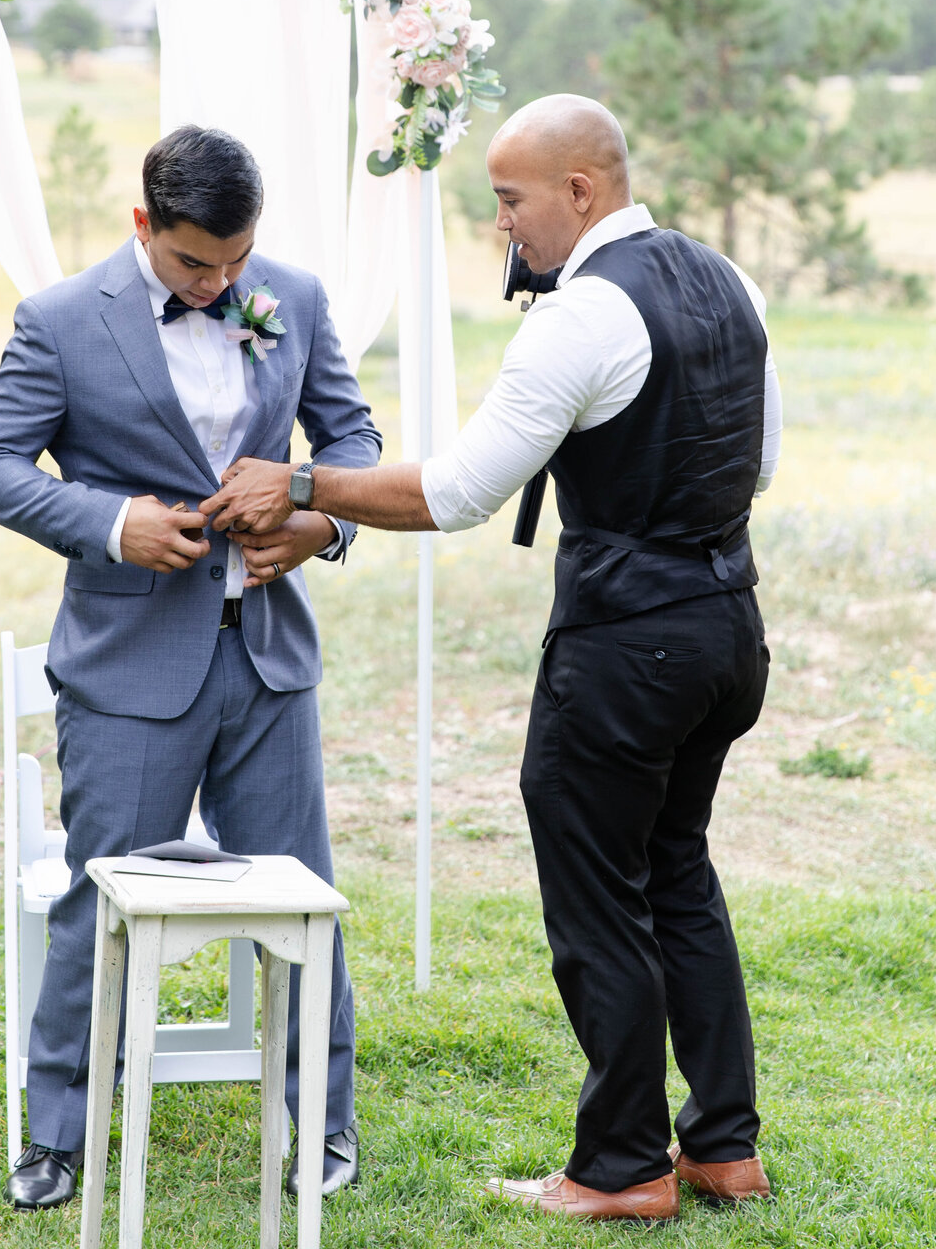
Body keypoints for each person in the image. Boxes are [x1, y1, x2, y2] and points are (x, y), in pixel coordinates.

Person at [201, 94, 782, 1226]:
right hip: (728, 628)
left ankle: (621, 1167)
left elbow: (459, 493)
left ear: (581, 190)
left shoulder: (580, 317)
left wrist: (303, 481)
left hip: (627, 648)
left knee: (600, 899)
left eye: (510, 201)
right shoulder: (732, 282)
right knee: (678, 872)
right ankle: (724, 1147)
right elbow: (755, 466)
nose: (503, 228)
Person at [0, 124, 381, 1211]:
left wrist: (317, 521)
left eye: (237, 261)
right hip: (129, 669)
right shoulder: (59, 322)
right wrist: (111, 523)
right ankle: (59, 1133)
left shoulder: (297, 297)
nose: (223, 281)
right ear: (144, 225)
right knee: (98, 904)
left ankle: (322, 1126)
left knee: (306, 908)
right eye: (197, 264)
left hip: (272, 666)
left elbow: (356, 444)